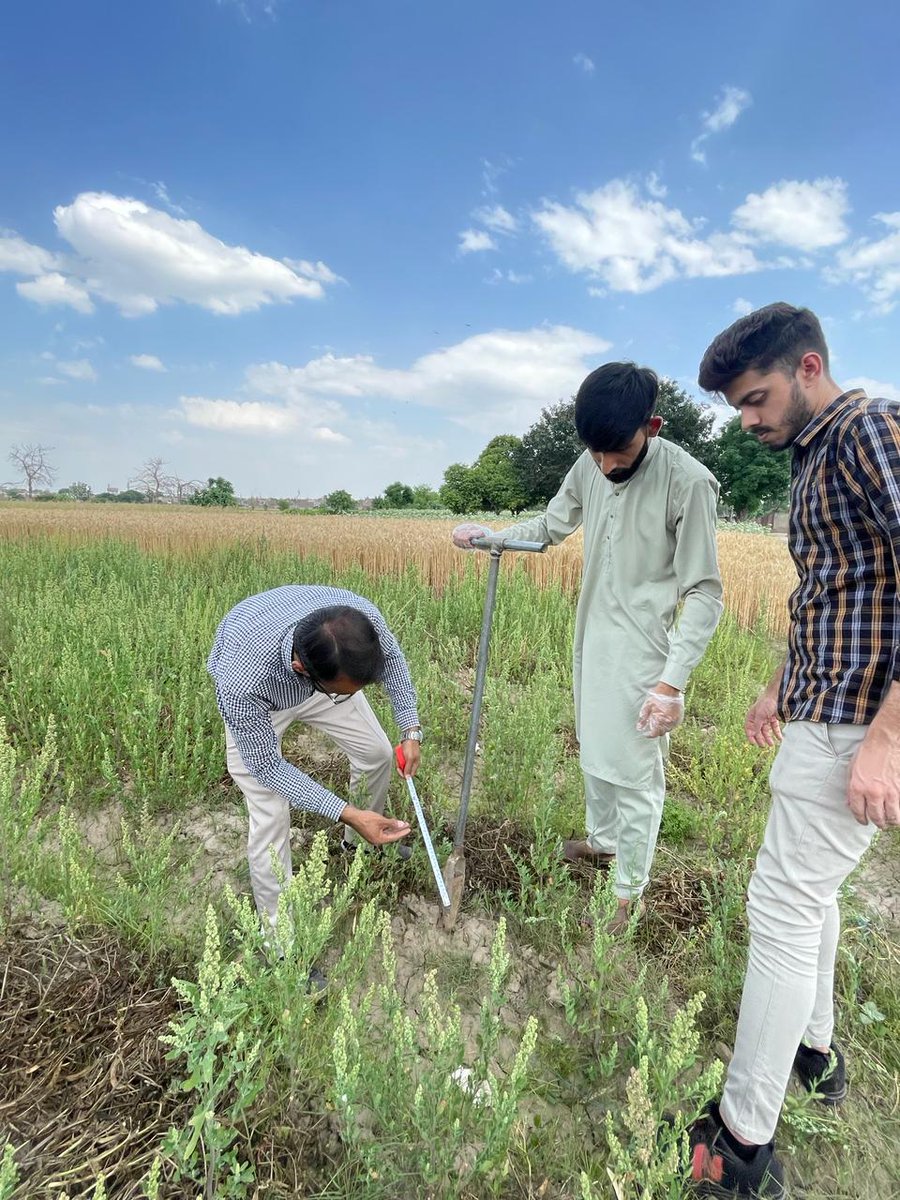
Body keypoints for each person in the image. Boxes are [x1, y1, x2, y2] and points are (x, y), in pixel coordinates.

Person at [686, 303, 900, 1198]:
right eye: (738, 407)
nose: (748, 419)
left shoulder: (868, 432)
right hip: (824, 710)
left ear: (809, 366)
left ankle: (740, 1144)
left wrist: (887, 740)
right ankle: (816, 1052)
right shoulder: (814, 454)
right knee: (807, 899)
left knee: (777, 910)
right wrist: (782, 680)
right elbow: (840, 590)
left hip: (862, 724)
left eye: (756, 398)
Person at [453, 362, 723, 932]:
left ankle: (630, 892)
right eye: (596, 453)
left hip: (645, 650)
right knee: (594, 750)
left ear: (653, 425)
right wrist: (493, 537)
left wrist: (670, 683)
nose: (606, 465)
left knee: (635, 773)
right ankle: (602, 844)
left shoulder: (689, 481)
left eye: (618, 451)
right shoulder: (593, 461)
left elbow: (703, 591)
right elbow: (551, 525)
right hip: (590, 634)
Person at [208, 584, 423, 937]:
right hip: (263, 696)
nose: (355, 698)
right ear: (302, 669)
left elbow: (393, 661)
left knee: (377, 753)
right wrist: (348, 813)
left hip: (323, 675)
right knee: (270, 813)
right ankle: (280, 943)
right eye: (347, 693)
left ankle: (361, 848)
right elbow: (267, 768)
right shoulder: (241, 681)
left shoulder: (359, 617)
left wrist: (410, 729)